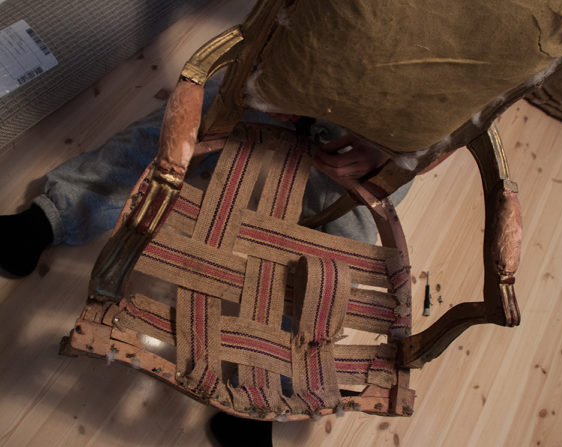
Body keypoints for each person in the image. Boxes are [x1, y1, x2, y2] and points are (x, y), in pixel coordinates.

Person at [0, 77, 411, 447]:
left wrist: (393, 152)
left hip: (379, 142)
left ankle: (263, 388)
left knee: (335, 259)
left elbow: (447, 134)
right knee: (169, 134)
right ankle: (43, 221)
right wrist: (277, 71)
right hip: (292, 81)